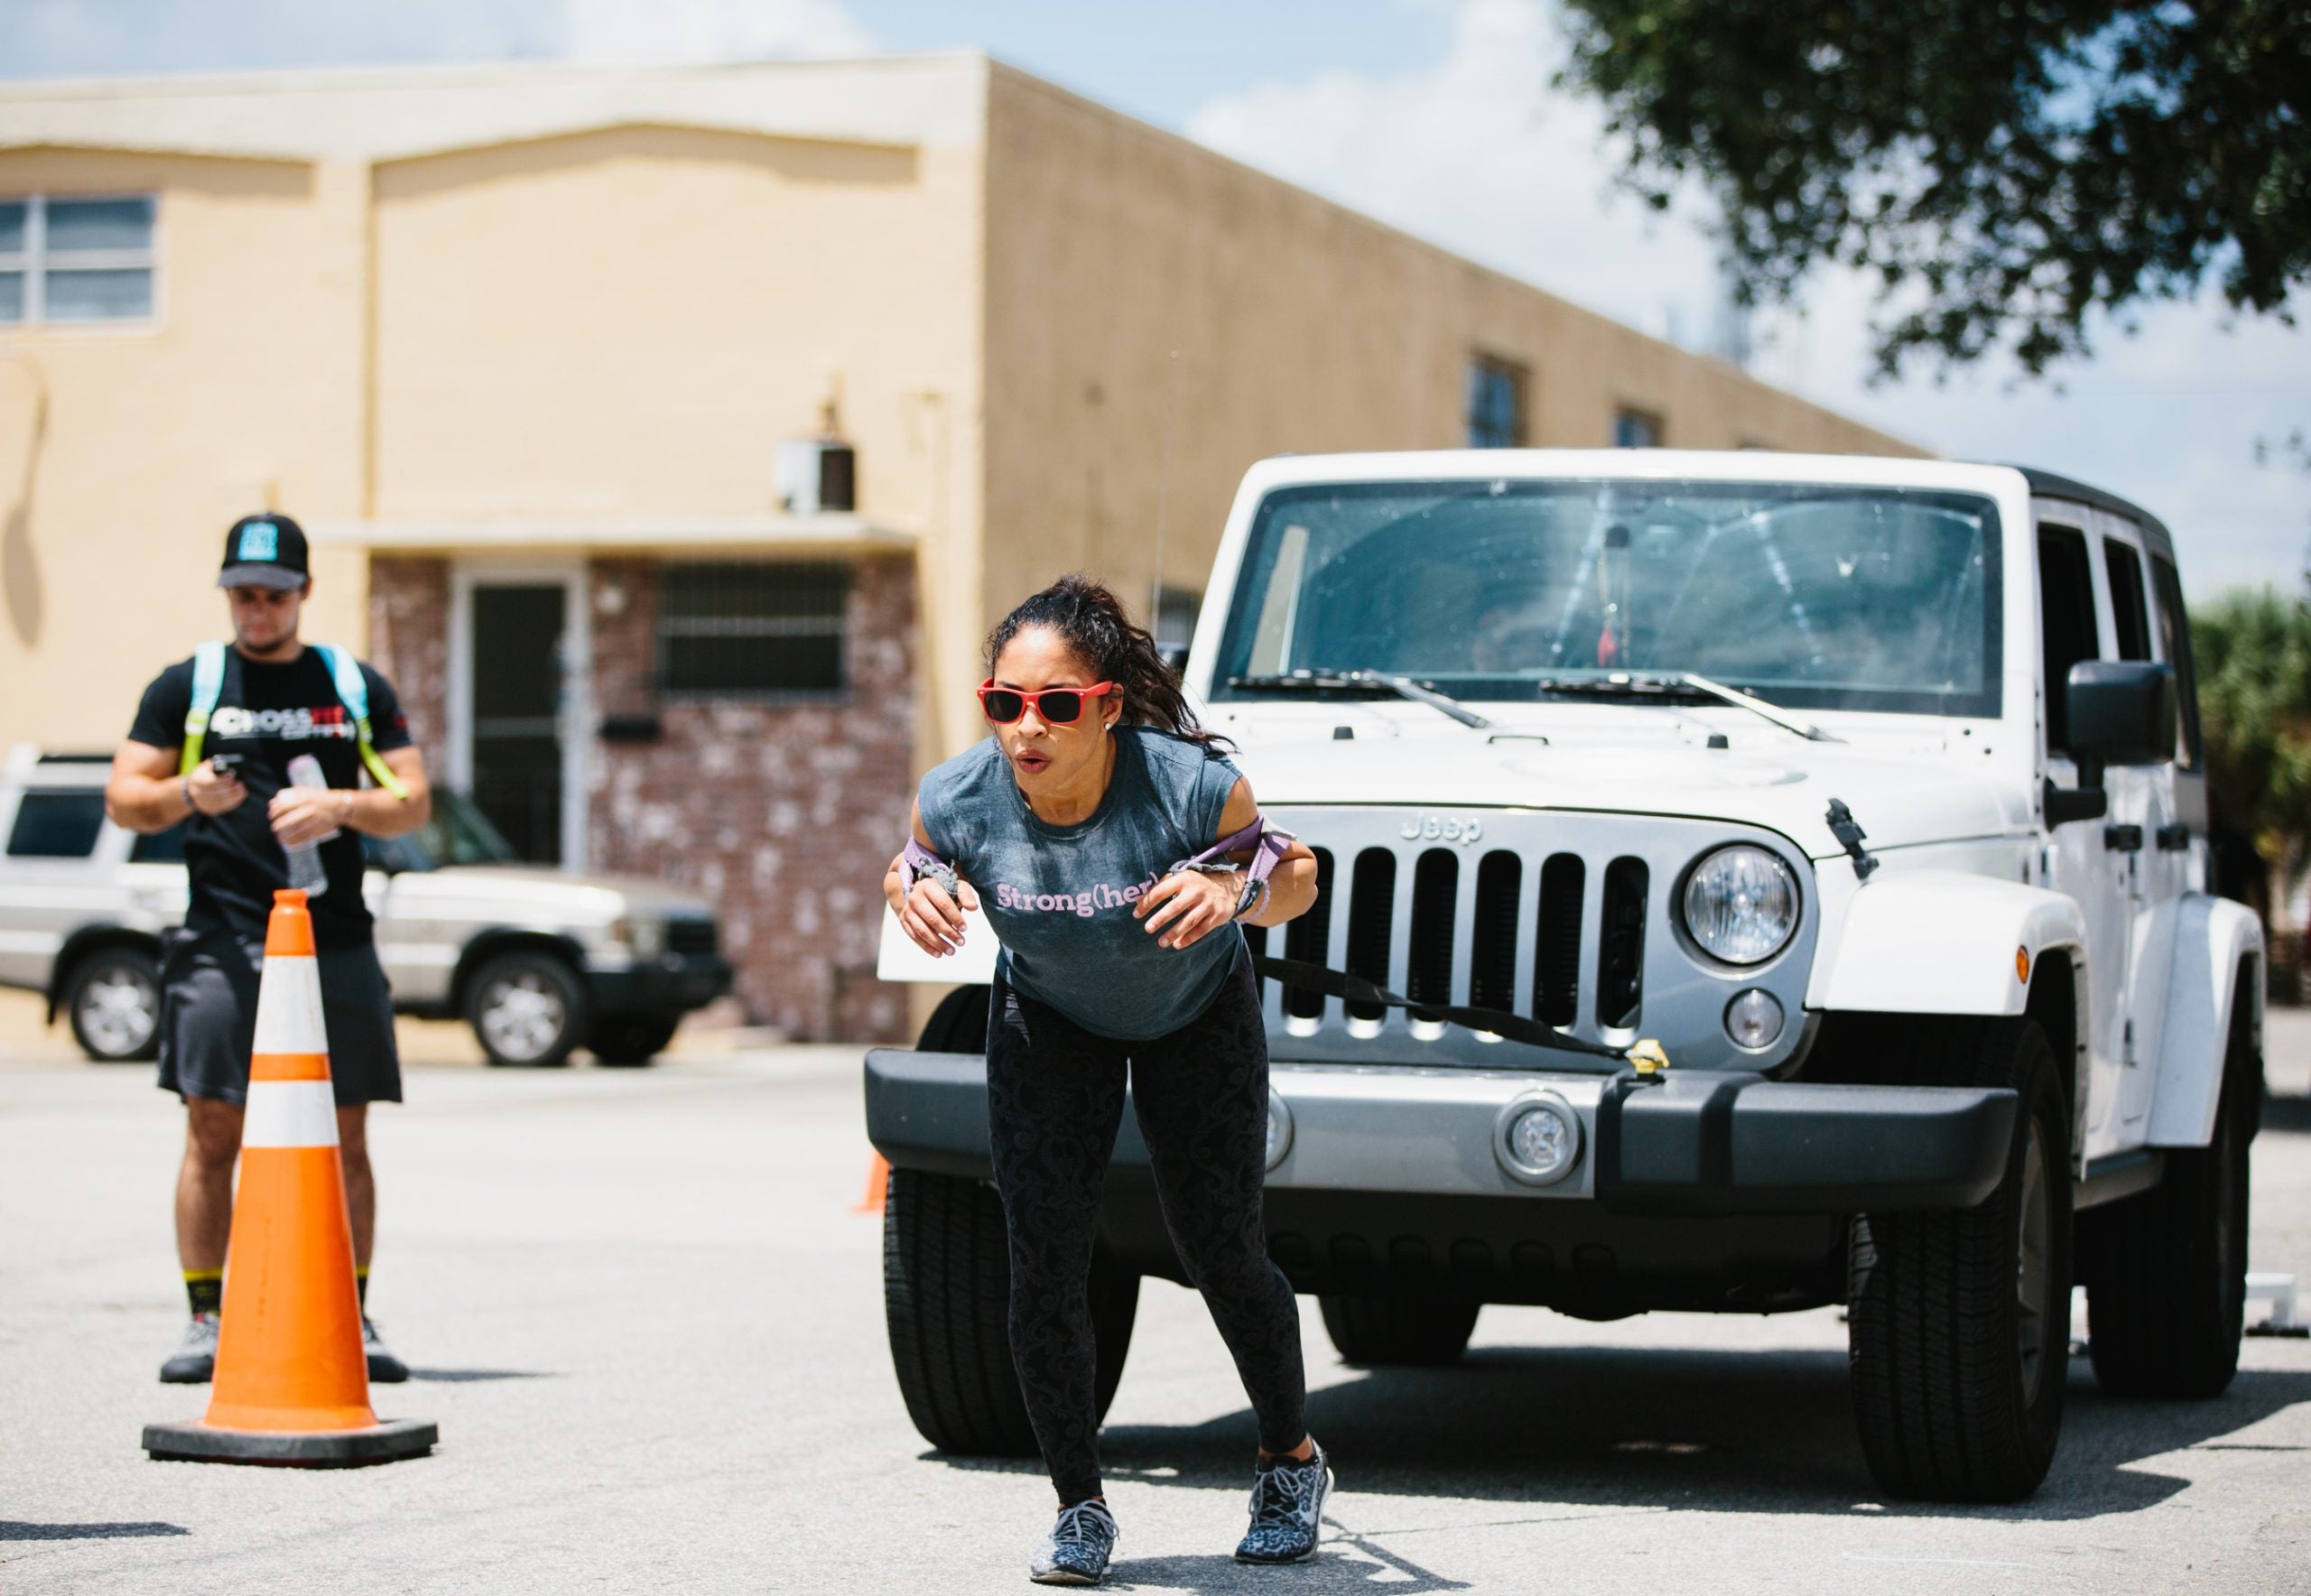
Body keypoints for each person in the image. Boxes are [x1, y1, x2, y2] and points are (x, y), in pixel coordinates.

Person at [886, 575, 1326, 1585]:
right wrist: (916, 885)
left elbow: (1299, 875)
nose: (1026, 728)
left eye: (1057, 704)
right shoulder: (959, 793)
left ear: (1109, 706)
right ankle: (1078, 1504)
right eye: (1005, 702)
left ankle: (1289, 1458)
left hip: (1194, 1018)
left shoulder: (1190, 788)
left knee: (1220, 1250)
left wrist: (1234, 884)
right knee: (1042, 1264)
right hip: (1052, 1022)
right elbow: (912, 860)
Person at [104, 513, 432, 1387]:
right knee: (214, 1127)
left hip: (335, 934)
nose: (257, 609)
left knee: (346, 1132)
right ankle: (207, 1318)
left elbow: (414, 799)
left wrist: (343, 808)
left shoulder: (350, 684)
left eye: (274, 593)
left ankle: (349, 1314)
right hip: (223, 933)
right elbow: (123, 797)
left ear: (304, 593)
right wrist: (186, 792)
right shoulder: (191, 685)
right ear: (228, 594)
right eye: (243, 593)